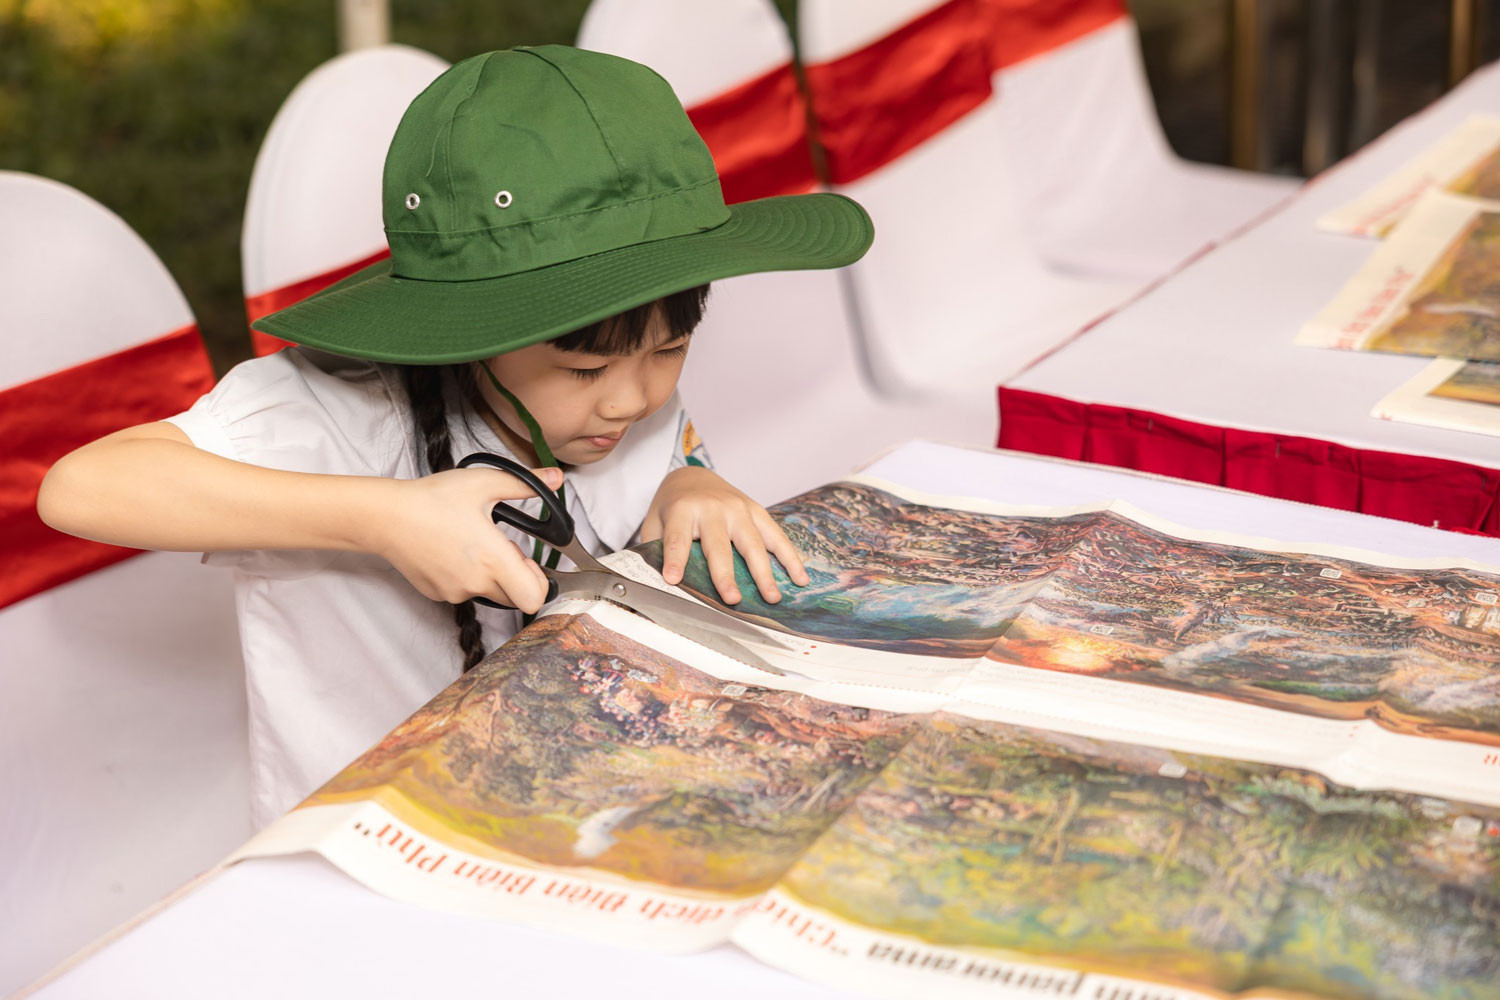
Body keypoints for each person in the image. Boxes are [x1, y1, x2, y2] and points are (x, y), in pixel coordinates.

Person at [36, 45, 873, 826]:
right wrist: (384, 518)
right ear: (473, 329)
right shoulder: (341, 407)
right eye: (584, 373)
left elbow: (664, 440)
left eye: (671, 351)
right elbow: (83, 486)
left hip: (589, 807)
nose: (630, 400)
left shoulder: (630, 400)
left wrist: (691, 482)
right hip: (373, 838)